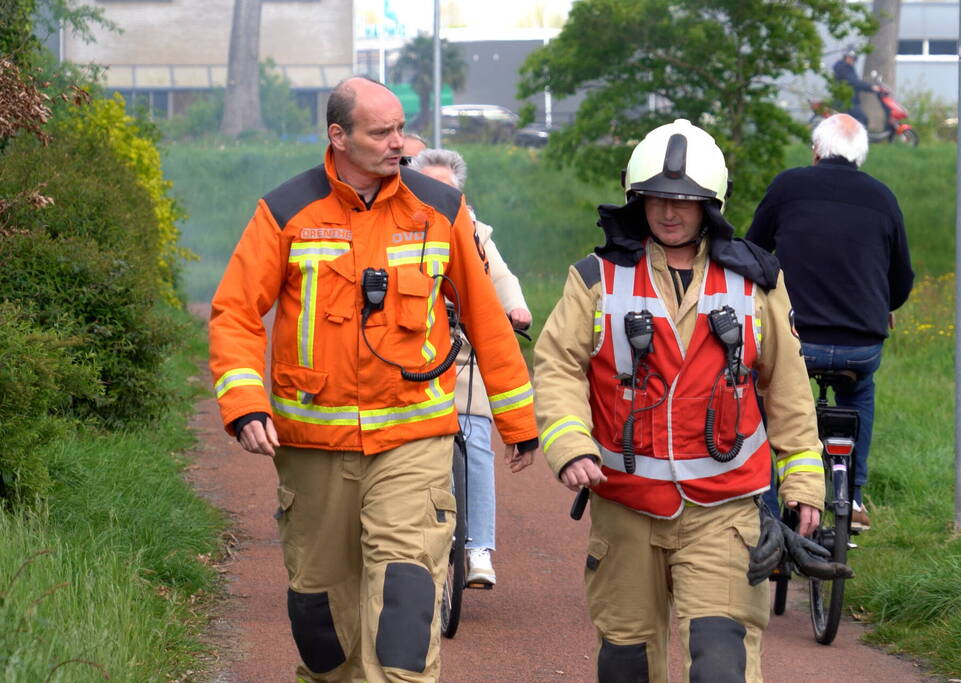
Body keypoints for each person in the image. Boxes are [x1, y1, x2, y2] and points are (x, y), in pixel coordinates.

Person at [209, 76, 539, 683]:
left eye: (400, 131)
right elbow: (233, 312)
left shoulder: (438, 210)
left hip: (414, 439)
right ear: (338, 136)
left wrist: (518, 421)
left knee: (404, 619)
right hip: (311, 448)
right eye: (381, 132)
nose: (399, 145)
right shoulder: (285, 212)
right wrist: (245, 403)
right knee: (322, 625)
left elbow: (488, 319)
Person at [533, 119, 825, 682]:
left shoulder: (756, 282)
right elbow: (556, 367)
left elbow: (787, 389)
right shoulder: (596, 278)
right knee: (627, 666)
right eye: (658, 200)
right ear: (637, 199)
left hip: (724, 512)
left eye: (685, 203)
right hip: (624, 510)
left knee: (721, 665)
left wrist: (804, 483)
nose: (670, 213)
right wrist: (569, 443)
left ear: (710, 205)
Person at [746, 113, 914, 531]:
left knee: (760, 397)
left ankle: (765, 510)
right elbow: (901, 278)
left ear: (816, 151)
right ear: (861, 154)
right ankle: (854, 496)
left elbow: (753, 253)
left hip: (797, 340)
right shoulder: (883, 197)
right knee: (859, 394)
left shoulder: (789, 186)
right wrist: (884, 304)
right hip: (861, 344)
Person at [409, 148, 532, 586]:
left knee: (476, 438)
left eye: (449, 188)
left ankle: (478, 547)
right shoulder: (401, 228)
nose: (440, 194)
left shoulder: (475, 231)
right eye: (431, 186)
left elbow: (499, 277)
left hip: (462, 351)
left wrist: (515, 309)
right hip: (411, 356)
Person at [832, 47, 882, 129]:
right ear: (845, 57)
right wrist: (871, 87)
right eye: (849, 57)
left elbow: (855, 82)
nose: (851, 60)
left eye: (853, 58)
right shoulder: (843, 68)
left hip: (848, 99)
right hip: (846, 100)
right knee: (862, 119)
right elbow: (854, 82)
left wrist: (868, 87)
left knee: (855, 120)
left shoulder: (847, 68)